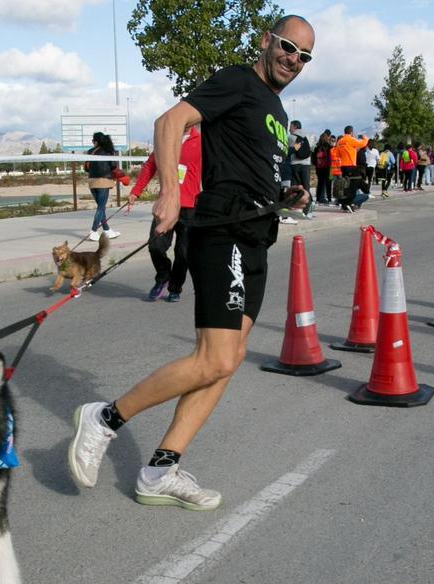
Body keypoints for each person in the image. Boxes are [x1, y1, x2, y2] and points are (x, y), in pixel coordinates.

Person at [66, 15, 315, 511]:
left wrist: (286, 193)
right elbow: (169, 122)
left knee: (229, 359)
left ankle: (160, 470)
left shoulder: (276, 108)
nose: (294, 60)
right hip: (223, 234)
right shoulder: (238, 80)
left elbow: (251, 166)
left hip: (256, 237)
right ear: (266, 41)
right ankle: (105, 419)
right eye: (289, 47)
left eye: (305, 56)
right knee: (215, 357)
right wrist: (172, 194)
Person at [129, 125, 201, 302]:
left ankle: (175, 287)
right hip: (166, 204)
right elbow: (150, 166)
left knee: (183, 253)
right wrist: (135, 191)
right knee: (155, 246)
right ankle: (163, 276)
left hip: (190, 205)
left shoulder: (202, 143)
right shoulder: (166, 140)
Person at [85, 132, 121, 241]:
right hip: (103, 181)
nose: (93, 143)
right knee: (101, 207)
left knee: (101, 207)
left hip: (92, 181)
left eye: (93, 141)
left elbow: (86, 168)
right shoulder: (109, 151)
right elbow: (113, 166)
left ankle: (107, 230)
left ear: (96, 141)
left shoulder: (90, 152)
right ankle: (93, 231)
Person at [287, 120, 313, 218]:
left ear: (294, 127)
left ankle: (295, 209)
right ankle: (307, 211)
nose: (289, 129)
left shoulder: (291, 137)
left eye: (290, 126)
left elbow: (288, 150)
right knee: (306, 187)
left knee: (295, 187)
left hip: (295, 164)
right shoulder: (308, 137)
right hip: (306, 164)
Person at [313, 130, 333, 205]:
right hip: (328, 168)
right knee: (328, 183)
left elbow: (314, 159)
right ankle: (327, 198)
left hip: (319, 168)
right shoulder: (329, 147)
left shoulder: (316, 148)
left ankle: (318, 198)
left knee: (320, 183)